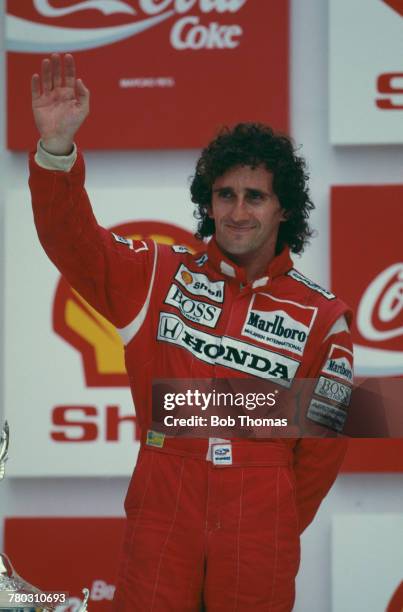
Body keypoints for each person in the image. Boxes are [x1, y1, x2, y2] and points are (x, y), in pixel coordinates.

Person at [29, 53, 353, 611]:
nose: (237, 211)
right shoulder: (157, 273)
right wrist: (57, 149)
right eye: (225, 195)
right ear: (209, 202)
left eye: (255, 196)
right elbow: (71, 239)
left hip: (261, 522)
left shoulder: (324, 318)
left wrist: (266, 517)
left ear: (284, 210)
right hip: (164, 507)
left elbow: (321, 455)